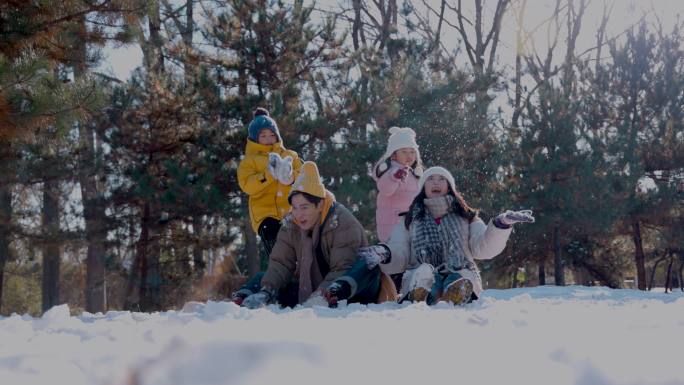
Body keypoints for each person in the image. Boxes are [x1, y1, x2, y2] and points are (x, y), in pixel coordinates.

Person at [357, 166, 534, 305]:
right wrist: (386, 253)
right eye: (430, 179)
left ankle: (458, 292)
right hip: (421, 274)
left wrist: (501, 224)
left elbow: (483, 246)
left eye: (442, 179)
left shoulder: (466, 217)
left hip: (461, 272)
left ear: (449, 187)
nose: (436, 183)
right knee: (425, 273)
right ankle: (421, 293)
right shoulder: (410, 220)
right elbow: (399, 250)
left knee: (457, 276)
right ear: (423, 187)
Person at [232, 162, 383, 309]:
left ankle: (325, 297)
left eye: (304, 207)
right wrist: (267, 290)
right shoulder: (291, 224)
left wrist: (321, 295)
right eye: (295, 208)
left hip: (350, 290)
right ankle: (247, 298)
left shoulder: (342, 222)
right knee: (264, 278)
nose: (298, 214)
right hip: (313, 288)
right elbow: (281, 264)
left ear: (319, 205)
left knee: (369, 265)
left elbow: (343, 267)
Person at [237, 107, 302, 257]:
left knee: (299, 244)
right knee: (277, 246)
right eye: (263, 136)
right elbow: (247, 185)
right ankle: (279, 271)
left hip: (292, 212)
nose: (268, 139)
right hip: (265, 215)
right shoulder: (249, 161)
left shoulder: (290, 155)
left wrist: (290, 177)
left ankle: (302, 270)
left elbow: (305, 174)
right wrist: (268, 175)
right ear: (255, 138)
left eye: (272, 135)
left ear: (277, 136)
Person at [372, 127, 423, 243]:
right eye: (404, 152)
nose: (409, 155)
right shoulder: (392, 171)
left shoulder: (414, 174)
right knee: (398, 254)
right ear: (393, 154)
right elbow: (385, 189)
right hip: (393, 225)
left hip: (411, 225)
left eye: (412, 152)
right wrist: (395, 177)